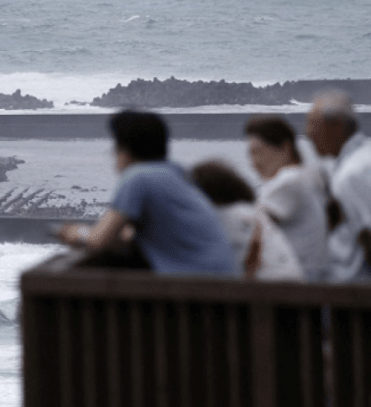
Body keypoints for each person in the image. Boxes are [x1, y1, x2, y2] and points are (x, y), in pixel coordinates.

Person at [58, 109, 239, 276]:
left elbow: (97, 239)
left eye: (115, 148)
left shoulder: (138, 177)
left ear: (125, 152)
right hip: (223, 282)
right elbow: (133, 233)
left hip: (197, 290)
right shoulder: (175, 172)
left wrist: (77, 232)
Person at [245, 115, 328, 281]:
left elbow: (253, 236)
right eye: (250, 154)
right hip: (312, 281)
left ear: (285, 148)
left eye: (258, 152)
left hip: (291, 288)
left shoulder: (288, 181)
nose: (253, 162)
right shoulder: (308, 175)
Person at [191, 161, 304, 281]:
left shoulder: (233, 214)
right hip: (290, 280)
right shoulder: (249, 211)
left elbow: (250, 251)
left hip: (272, 285)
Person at [306, 90, 371, 282]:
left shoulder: (352, 174)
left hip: (353, 298)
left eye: (312, 124)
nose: (306, 133)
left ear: (335, 127)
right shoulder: (362, 158)